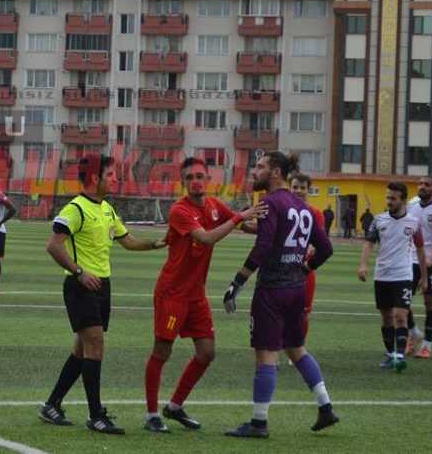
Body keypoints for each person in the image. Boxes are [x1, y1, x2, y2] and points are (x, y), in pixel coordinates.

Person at [38, 154, 167, 435]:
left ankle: (51, 405)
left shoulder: (107, 209)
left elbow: (128, 241)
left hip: (102, 287)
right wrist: (79, 272)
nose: (115, 179)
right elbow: (53, 246)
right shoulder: (76, 208)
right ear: (95, 178)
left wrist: (157, 243)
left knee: (82, 350)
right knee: (95, 346)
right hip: (81, 287)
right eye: (111, 174)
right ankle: (96, 415)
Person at [143, 157, 265, 434]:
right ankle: (151, 414)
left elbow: (247, 227)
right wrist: (238, 217)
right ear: (184, 183)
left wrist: (271, 221)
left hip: (196, 295)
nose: (196, 181)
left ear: (208, 179)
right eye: (190, 177)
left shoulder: (213, 206)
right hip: (172, 294)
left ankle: (174, 407)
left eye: (200, 175)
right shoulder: (179, 210)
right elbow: (206, 238)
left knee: (207, 352)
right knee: (162, 350)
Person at [221, 151, 337, 439]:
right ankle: (325, 406)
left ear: (275, 173)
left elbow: (263, 247)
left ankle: (259, 423)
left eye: (259, 167)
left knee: (266, 355)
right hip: (296, 289)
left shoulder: (270, 203)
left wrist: (236, 283)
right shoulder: (305, 208)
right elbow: (326, 249)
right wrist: (306, 267)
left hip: (271, 290)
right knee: (297, 349)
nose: (254, 171)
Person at [359, 181, 428, 372]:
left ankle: (399, 355)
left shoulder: (414, 223)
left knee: (400, 316)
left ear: (403, 200)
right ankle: (391, 355)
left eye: (393, 198)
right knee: (386, 318)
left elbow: (421, 251)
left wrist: (424, 276)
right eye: (388, 197)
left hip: (403, 275)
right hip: (382, 276)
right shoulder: (378, 220)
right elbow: (369, 243)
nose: (389, 201)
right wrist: (363, 265)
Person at [406, 177, 432, 359]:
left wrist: (430, 258)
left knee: (430, 303)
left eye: (426, 185)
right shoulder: (411, 205)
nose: (422, 187)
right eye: (420, 183)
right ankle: (413, 333)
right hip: (411, 260)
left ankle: (427, 346)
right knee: (402, 301)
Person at [289, 173, 326, 345]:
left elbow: (322, 243)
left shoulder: (316, 214)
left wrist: (313, 247)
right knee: (280, 310)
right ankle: (277, 346)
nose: (298, 191)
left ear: (308, 190)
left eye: (302, 188)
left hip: (305, 270)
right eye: (295, 187)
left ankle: (298, 345)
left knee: (304, 312)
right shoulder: (284, 210)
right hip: (284, 268)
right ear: (289, 188)